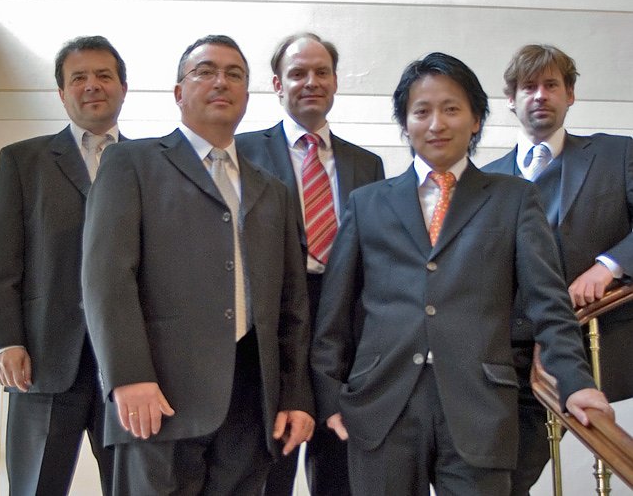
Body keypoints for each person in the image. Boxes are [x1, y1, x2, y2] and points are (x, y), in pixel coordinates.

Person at [310, 51, 613, 495]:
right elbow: (334, 313)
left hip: (480, 407)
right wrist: (329, 397)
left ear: (476, 120)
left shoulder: (514, 199)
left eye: (451, 109)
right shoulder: (368, 203)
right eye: (422, 112)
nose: (436, 124)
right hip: (381, 407)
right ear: (405, 123)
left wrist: (575, 383)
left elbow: (549, 304)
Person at [81, 35, 315, 495]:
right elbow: (106, 277)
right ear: (178, 91)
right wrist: (128, 375)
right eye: (205, 71)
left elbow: (292, 304)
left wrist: (294, 394)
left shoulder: (273, 190)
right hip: (159, 397)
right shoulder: (131, 162)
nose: (220, 82)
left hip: (252, 403)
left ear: (247, 93)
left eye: (234, 74)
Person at [0, 35, 127, 495]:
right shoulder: (23, 161)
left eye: (103, 75)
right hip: (42, 361)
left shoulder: (150, 164)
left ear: (123, 87)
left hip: (130, 367)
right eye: (78, 78)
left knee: (136, 487)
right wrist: (5, 341)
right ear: (62, 93)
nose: (92, 85)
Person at [236, 32, 384, 496]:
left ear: (336, 81)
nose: (311, 82)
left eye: (322, 72)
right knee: (269, 471)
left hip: (342, 334)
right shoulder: (242, 153)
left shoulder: (367, 165)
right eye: (298, 73)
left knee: (339, 474)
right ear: (277, 85)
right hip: (272, 328)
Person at [483, 43, 633, 495]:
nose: (540, 95)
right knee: (493, 478)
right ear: (511, 99)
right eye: (528, 86)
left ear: (570, 94)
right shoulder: (486, 179)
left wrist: (609, 266)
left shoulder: (617, 154)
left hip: (582, 347)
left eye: (551, 85)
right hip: (503, 359)